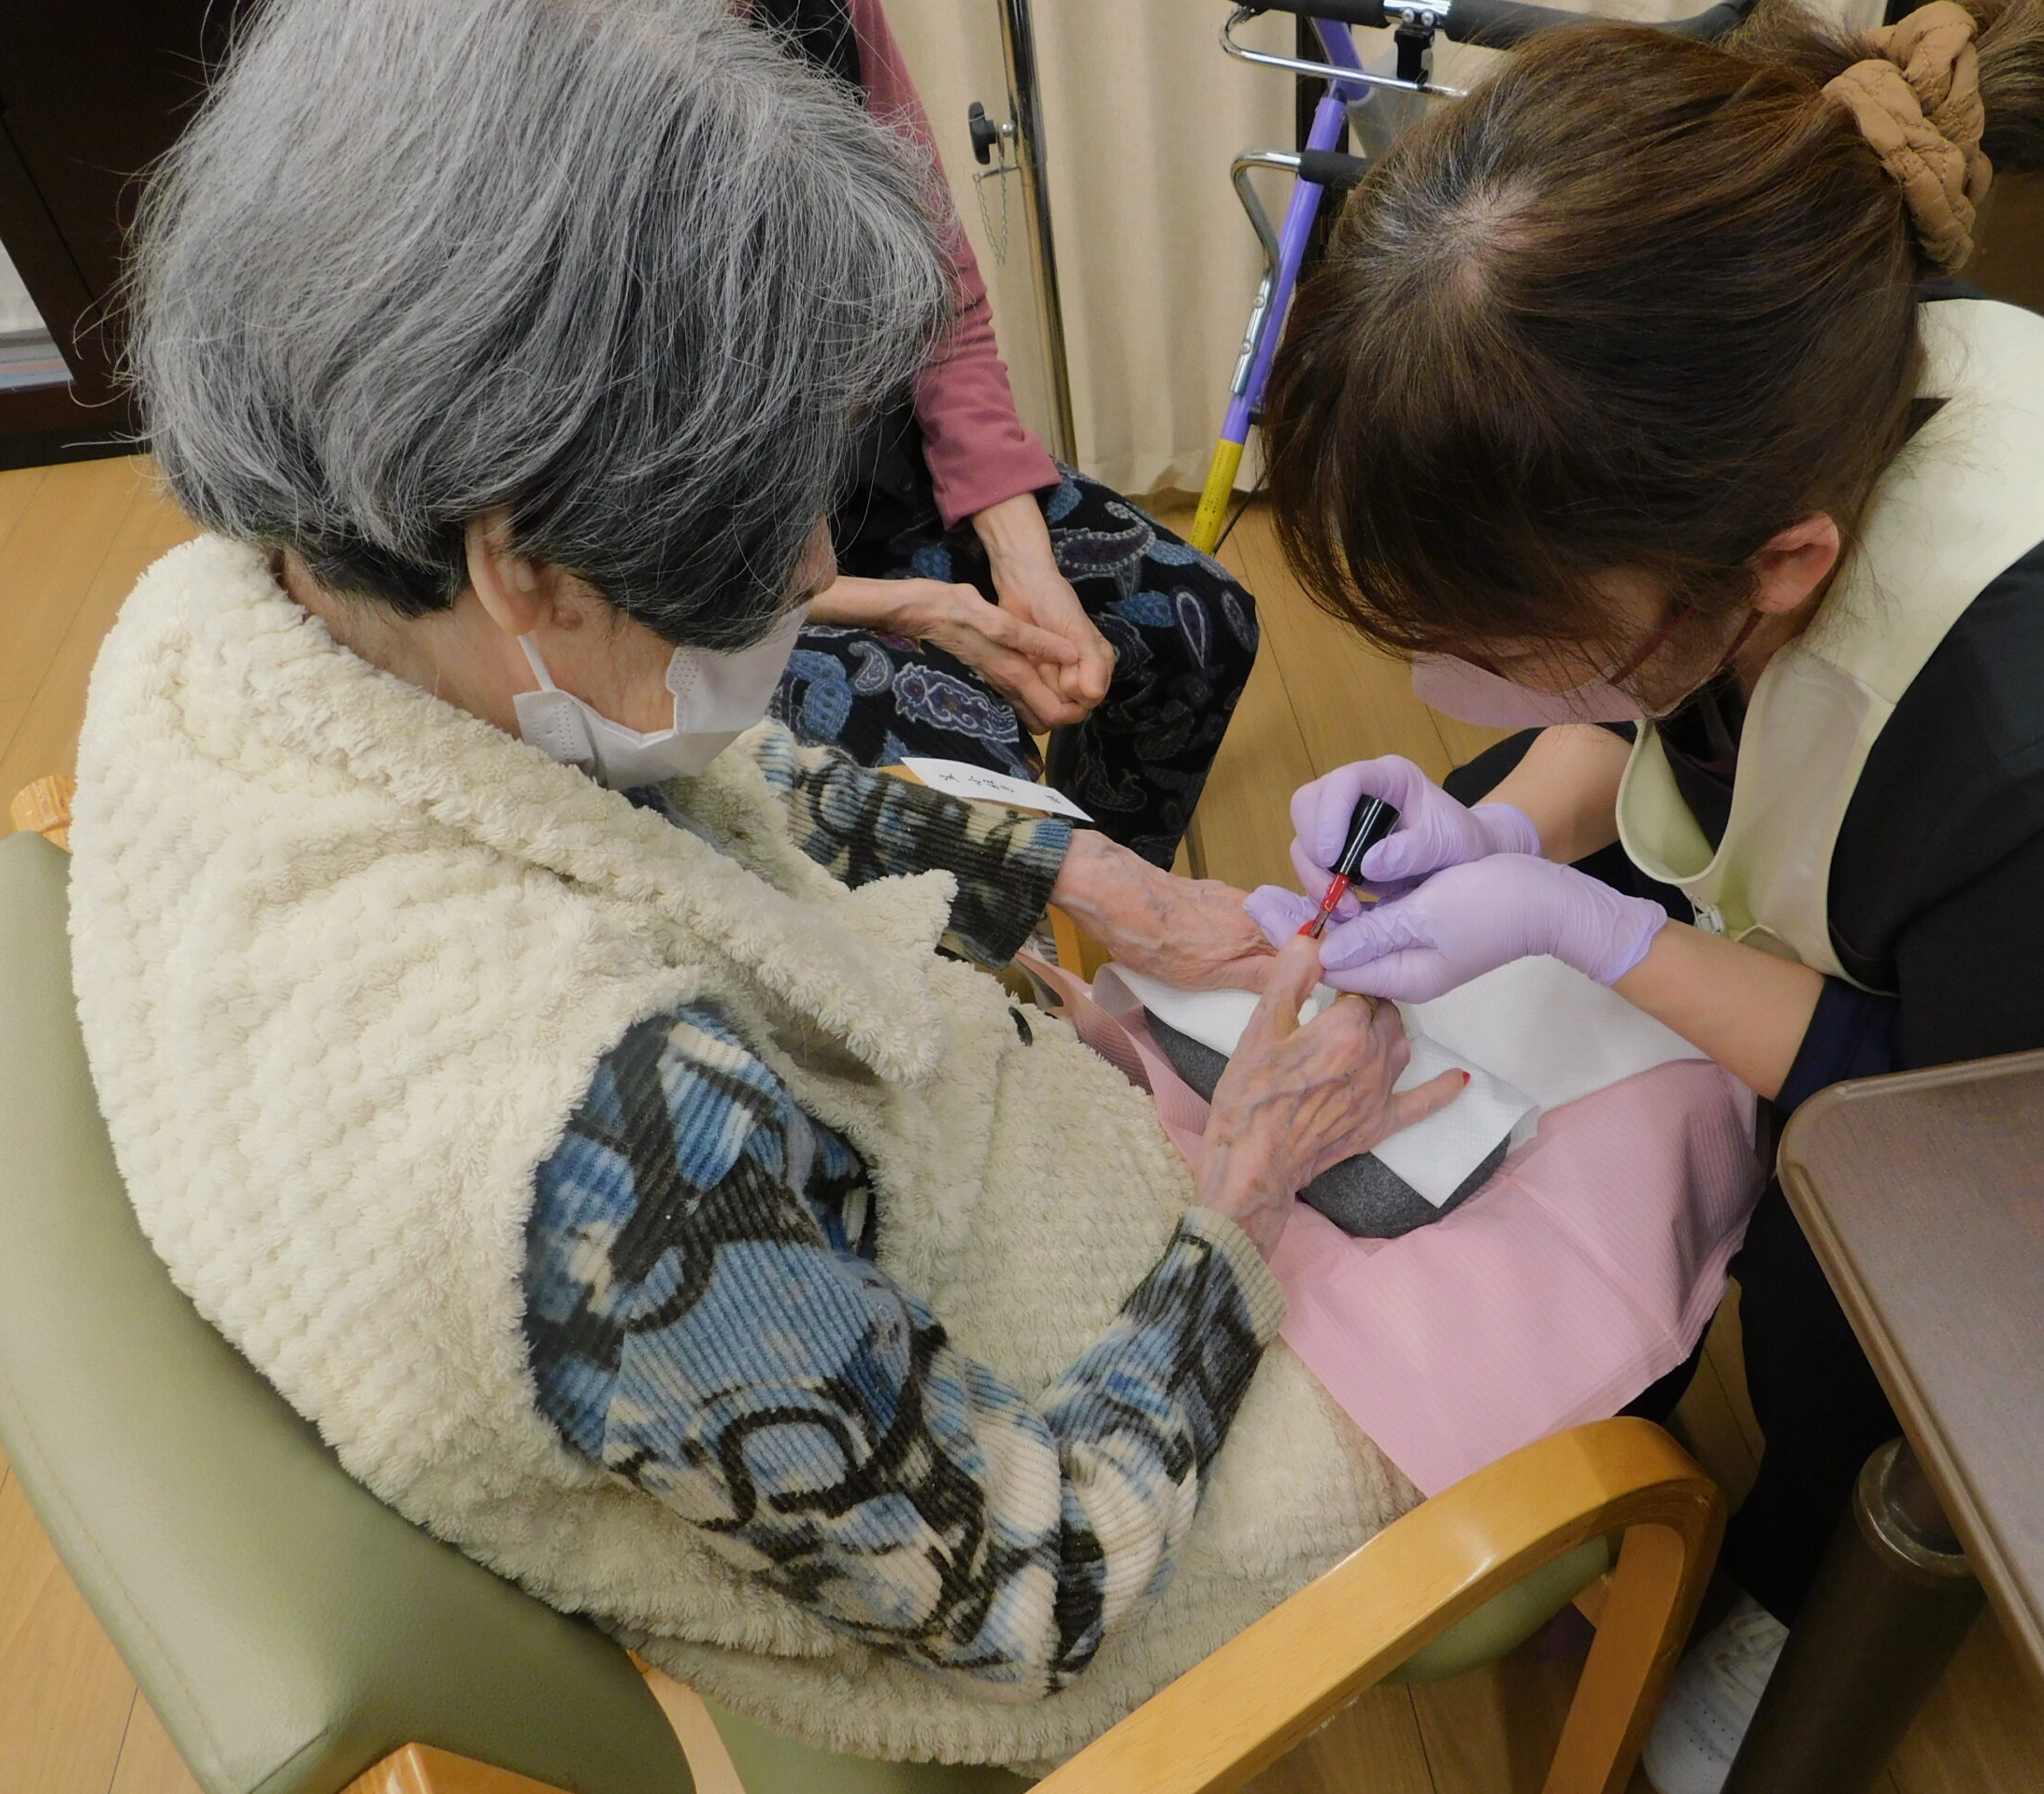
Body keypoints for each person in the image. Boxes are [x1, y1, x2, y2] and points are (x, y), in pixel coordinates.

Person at [76, 0, 1462, 1765]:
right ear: (530, 570)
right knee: (1587, 1210)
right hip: (1047, 1544)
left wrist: (1094, 874)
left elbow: (727, 787)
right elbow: (1036, 1592)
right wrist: (1249, 1189)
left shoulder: (246, 610)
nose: (820, 561)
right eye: (771, 519)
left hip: (901, 1255)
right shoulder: (606, 1142)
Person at [1240, 3, 2044, 1787]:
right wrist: (1504, 831)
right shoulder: (1750, 420)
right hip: (1929, 763)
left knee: (1834, 1281)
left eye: (1492, 642)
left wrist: (1600, 931)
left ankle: (1790, 1578)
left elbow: (1946, 1111)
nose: (1448, 683)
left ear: (1780, 565)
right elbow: (1663, 703)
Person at [749, 0, 1260, 870]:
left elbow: (940, 297)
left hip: (886, 471)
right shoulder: (559, 73)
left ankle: (1120, 908)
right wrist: (928, 610)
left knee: (1201, 624)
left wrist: (1024, 560)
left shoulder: (829, 9)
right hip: (715, 572)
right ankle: (1045, 933)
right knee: (979, 769)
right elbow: (613, 548)